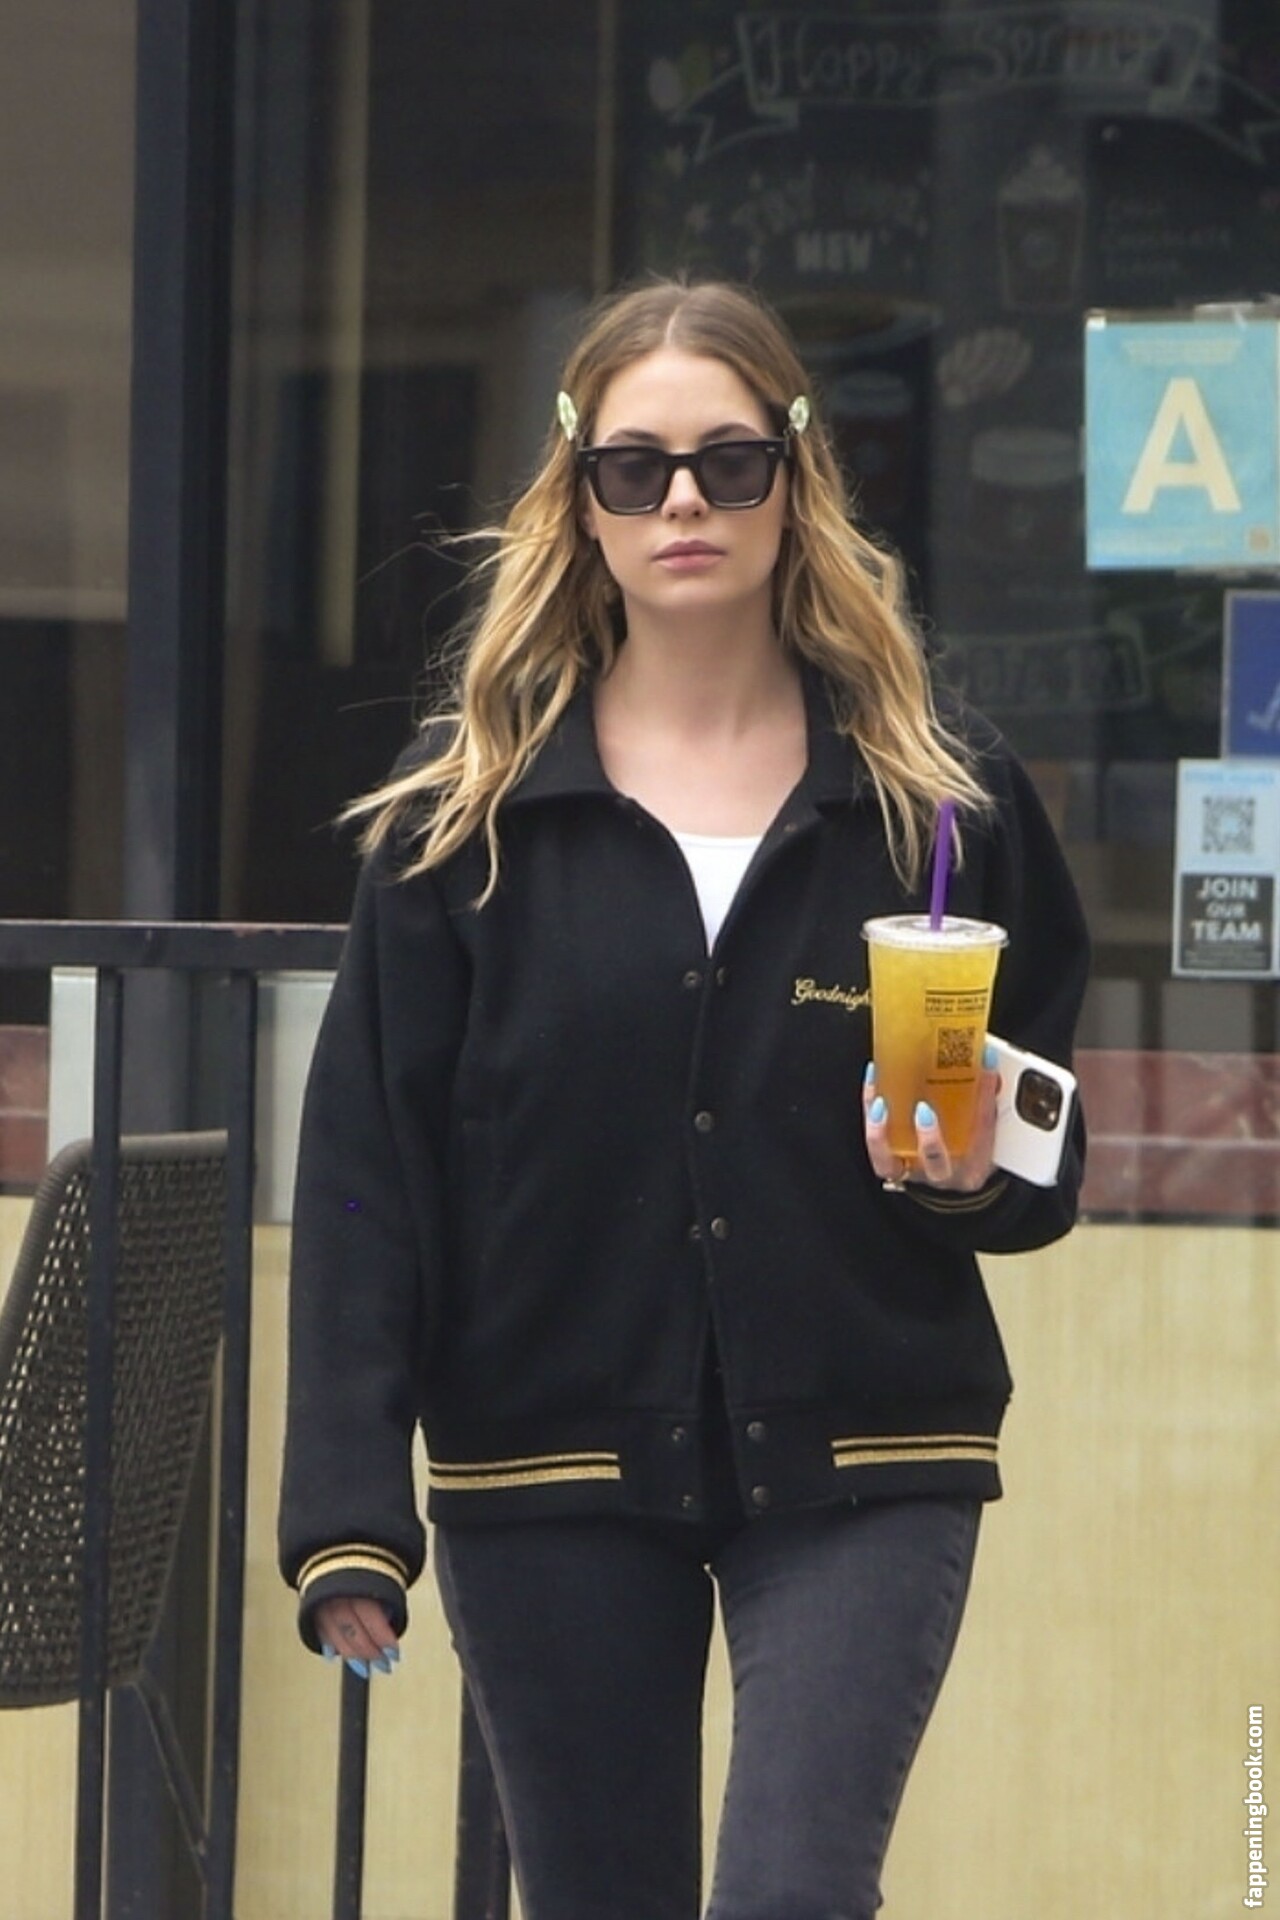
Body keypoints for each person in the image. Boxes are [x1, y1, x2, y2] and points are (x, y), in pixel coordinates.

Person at [278, 277, 1089, 1919]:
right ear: (579, 495)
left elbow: (1043, 1122)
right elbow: (369, 1165)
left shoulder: (940, 806)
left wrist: (973, 1175)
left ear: (797, 475)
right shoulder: (467, 823)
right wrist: (348, 1514)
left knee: (793, 1893)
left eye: (729, 461)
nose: (685, 505)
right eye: (634, 468)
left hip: (868, 1446)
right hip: (546, 1460)